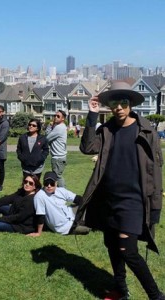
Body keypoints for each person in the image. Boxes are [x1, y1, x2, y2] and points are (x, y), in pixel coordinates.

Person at [75, 81, 164, 300]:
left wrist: (155, 207)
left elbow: (155, 171)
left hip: (133, 201)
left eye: (123, 102)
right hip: (108, 199)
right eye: (114, 102)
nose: (119, 107)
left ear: (130, 104)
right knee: (112, 245)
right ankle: (120, 290)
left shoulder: (146, 130)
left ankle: (156, 296)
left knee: (128, 250)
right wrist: (92, 115)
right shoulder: (106, 130)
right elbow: (87, 147)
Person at [28, 171, 82, 237]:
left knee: (87, 204)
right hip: (64, 227)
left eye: (52, 183)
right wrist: (39, 233)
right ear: (43, 183)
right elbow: (40, 216)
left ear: (56, 183)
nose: (49, 186)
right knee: (87, 227)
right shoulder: (40, 196)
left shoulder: (61, 190)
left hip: (70, 214)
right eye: (46, 183)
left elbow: (78, 199)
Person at [46, 110, 67, 187]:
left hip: (58, 157)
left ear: (63, 119)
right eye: (55, 115)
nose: (55, 117)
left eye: (58, 116)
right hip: (60, 156)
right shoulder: (62, 126)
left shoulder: (59, 128)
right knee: (58, 176)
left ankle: (62, 192)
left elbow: (47, 138)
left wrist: (49, 126)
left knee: (58, 176)